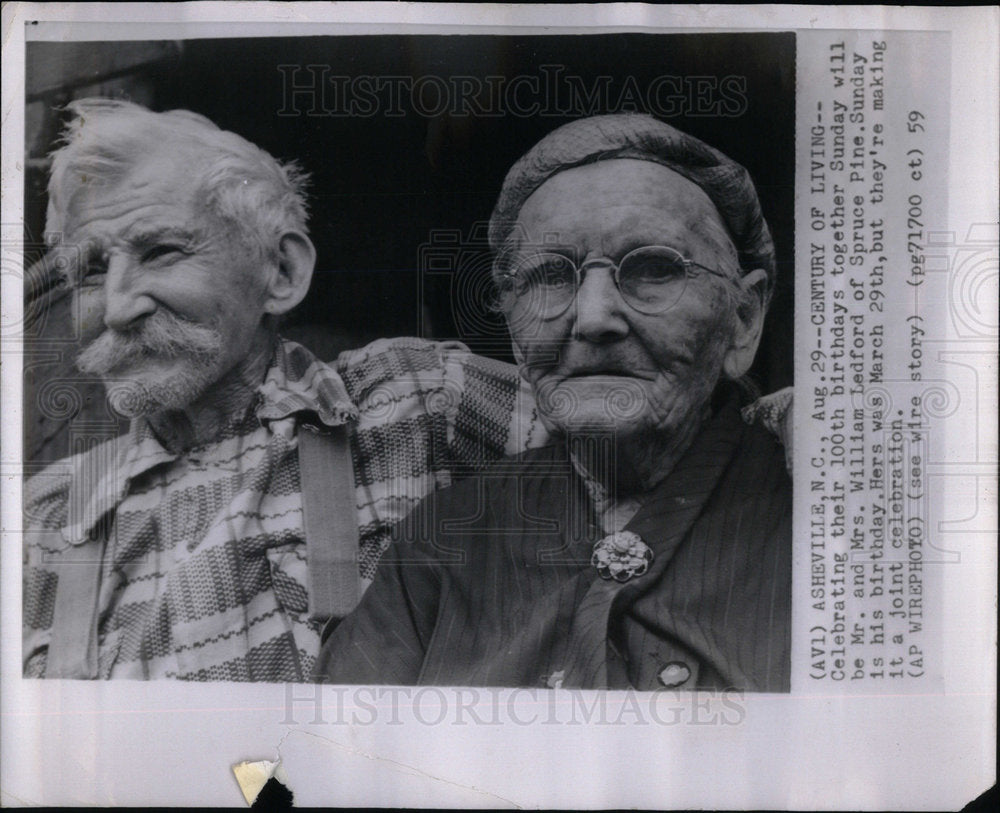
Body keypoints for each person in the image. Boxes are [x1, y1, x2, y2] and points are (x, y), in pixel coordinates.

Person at [21, 98, 547, 682]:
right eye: (90, 272)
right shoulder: (43, 519)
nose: (118, 307)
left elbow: (637, 487)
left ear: (283, 273)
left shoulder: (423, 402)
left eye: (161, 251)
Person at [317, 113, 793, 691]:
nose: (592, 318)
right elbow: (319, 763)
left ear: (744, 320)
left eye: (651, 269)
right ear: (515, 332)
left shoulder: (826, 513)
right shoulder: (445, 541)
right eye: (550, 277)